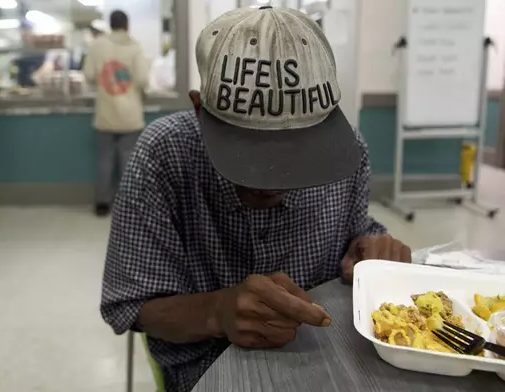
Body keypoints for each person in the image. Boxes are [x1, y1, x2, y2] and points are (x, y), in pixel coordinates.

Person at [100, 7, 411, 392]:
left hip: (326, 359)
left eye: (297, 155)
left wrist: (367, 248)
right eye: (251, 154)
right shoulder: (164, 155)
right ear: (200, 110)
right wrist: (216, 312)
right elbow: (132, 304)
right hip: (202, 366)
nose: (271, 181)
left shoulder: (348, 154)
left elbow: (356, 232)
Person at [84, 10, 149, 217]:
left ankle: (102, 203)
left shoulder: (97, 46)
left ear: (110, 25)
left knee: (104, 160)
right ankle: (128, 205)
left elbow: (89, 75)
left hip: (105, 112)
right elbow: (142, 80)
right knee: (129, 161)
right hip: (130, 115)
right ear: (127, 26)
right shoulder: (135, 47)